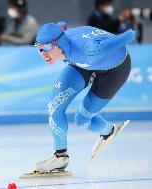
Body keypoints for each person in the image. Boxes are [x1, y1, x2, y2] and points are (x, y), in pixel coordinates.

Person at [33, 21, 136, 173]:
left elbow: (126, 38)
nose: (43, 53)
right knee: (54, 105)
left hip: (114, 70)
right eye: (39, 48)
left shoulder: (89, 50)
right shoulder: (63, 42)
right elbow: (62, 25)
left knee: (82, 119)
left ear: (58, 44)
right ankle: (60, 157)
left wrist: (129, 34)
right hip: (82, 64)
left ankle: (109, 131)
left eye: (47, 48)